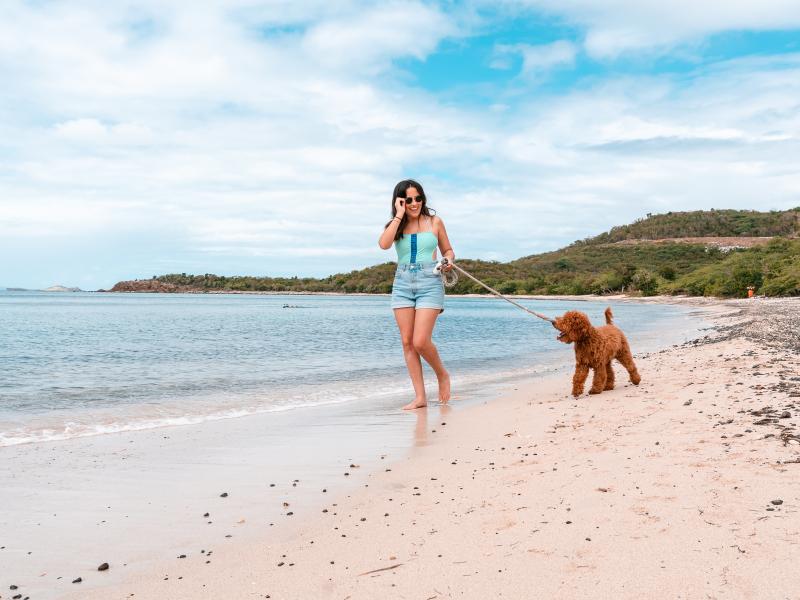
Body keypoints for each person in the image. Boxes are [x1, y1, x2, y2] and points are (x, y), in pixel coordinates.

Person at [378, 179, 455, 410]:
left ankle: (442, 375)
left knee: (420, 341)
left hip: (430, 280)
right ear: (400, 201)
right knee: (407, 342)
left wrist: (448, 260)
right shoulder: (396, 225)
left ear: (423, 198)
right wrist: (399, 215)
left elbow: (448, 250)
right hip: (402, 282)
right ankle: (420, 397)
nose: (414, 203)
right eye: (408, 200)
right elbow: (383, 244)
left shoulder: (435, 221)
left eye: (418, 198)